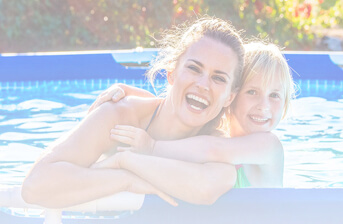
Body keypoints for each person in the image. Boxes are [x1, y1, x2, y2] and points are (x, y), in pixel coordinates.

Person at [21, 16, 246, 208]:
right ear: (171, 73)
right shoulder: (121, 116)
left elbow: (206, 189)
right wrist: (125, 179)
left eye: (218, 78)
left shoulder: (216, 145)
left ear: (230, 97)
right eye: (194, 68)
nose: (203, 85)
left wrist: (128, 161)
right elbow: (35, 186)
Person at [90, 40, 296, 188]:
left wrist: (152, 147)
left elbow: (213, 150)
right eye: (252, 92)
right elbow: (169, 108)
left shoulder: (269, 146)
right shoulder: (214, 133)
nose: (264, 105)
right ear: (230, 96)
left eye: (275, 95)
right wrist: (128, 92)